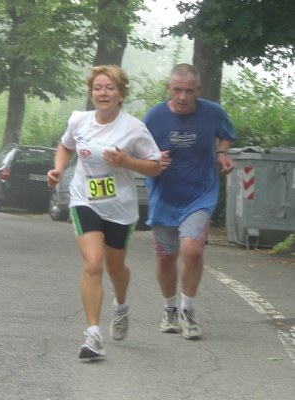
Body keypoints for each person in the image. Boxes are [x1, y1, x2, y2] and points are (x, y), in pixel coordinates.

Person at [47, 65, 161, 360]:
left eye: (110, 88)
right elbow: (64, 146)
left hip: (120, 207)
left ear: (121, 94)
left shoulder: (134, 128)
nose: (103, 93)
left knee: (115, 269)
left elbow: (155, 165)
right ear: (91, 93)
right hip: (84, 199)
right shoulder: (79, 121)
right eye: (98, 88)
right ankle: (93, 335)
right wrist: (58, 169)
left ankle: (121, 307)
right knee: (93, 263)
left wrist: (126, 162)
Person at [143, 63, 236, 339]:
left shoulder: (213, 112)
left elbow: (226, 134)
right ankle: (169, 309)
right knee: (165, 258)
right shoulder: (154, 117)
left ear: (198, 90)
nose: (182, 97)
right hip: (164, 196)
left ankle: (187, 310)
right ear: (168, 89)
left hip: (200, 193)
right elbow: (137, 149)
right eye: (177, 90)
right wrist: (153, 159)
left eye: (188, 91)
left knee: (192, 250)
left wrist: (221, 153)